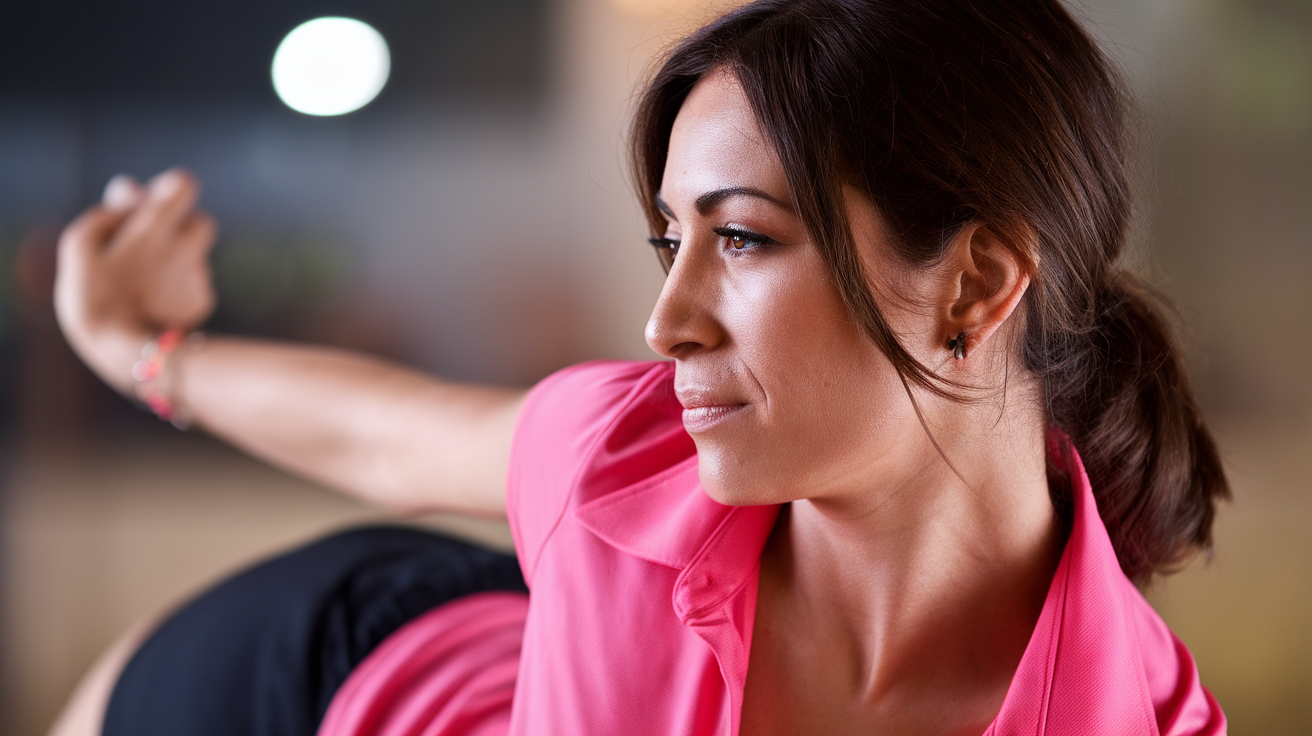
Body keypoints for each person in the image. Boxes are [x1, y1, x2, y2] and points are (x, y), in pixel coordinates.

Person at [49, 0, 1230, 734]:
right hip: (323, 676)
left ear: (974, 285)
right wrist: (145, 352)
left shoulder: (1139, 715)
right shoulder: (622, 454)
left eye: (746, 238)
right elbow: (388, 437)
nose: (668, 320)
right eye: (672, 241)